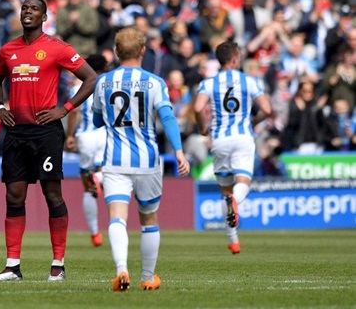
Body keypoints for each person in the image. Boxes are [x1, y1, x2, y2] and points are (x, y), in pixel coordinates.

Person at [0, 0, 98, 283]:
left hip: (46, 132)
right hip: (17, 132)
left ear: (44, 17)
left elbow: (91, 78)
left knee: (52, 194)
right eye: (25, 7)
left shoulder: (57, 48)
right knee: (14, 195)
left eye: (34, 9)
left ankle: (58, 264)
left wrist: (64, 108)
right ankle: (12, 266)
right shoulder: (7, 50)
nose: (28, 12)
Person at [91, 26, 190, 291]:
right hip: (147, 161)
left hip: (115, 160)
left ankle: (121, 269)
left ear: (116, 51)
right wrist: (179, 151)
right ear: (143, 51)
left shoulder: (103, 81)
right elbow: (168, 117)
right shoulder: (155, 82)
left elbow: (97, 119)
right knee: (149, 219)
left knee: (117, 217)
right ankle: (148, 278)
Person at [193, 41, 272, 255]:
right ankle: (235, 202)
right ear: (236, 59)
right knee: (243, 182)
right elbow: (267, 108)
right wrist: (254, 123)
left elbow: (199, 107)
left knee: (225, 191)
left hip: (219, 139)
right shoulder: (250, 81)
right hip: (242, 137)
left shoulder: (208, 83)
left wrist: (203, 128)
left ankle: (233, 240)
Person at [65, 54, 108, 247]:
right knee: (105, 175)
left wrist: (70, 135)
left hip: (86, 136)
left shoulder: (78, 86)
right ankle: (99, 179)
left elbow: (74, 111)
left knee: (87, 186)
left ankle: (94, 233)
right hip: (106, 135)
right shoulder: (110, 84)